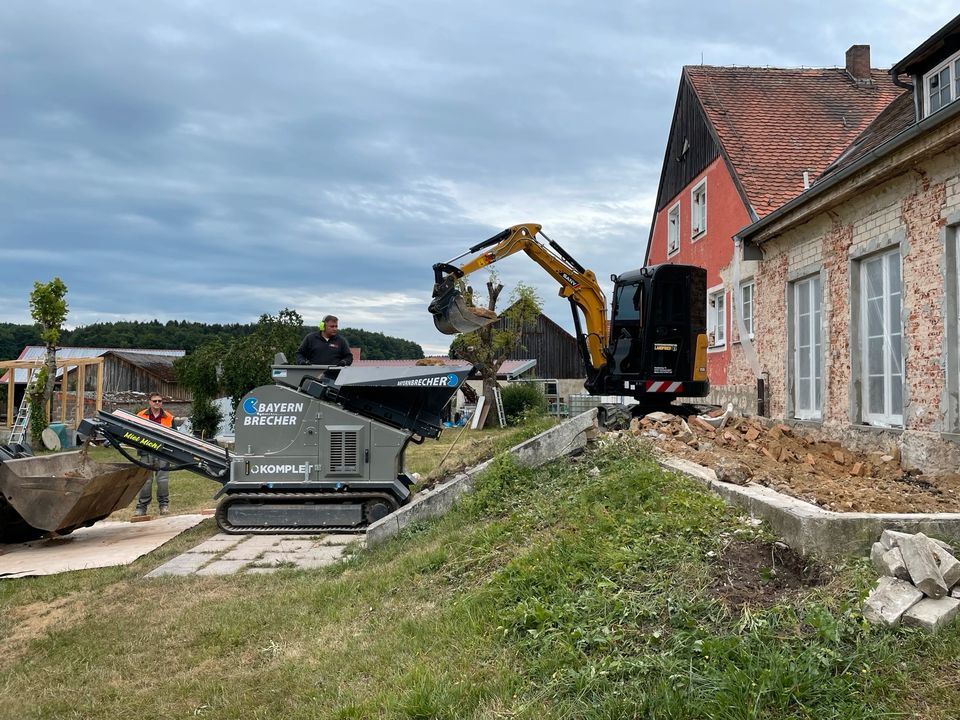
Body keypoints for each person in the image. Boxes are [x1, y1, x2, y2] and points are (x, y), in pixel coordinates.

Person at [133, 392, 175, 517]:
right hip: (146, 452)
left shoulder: (169, 417)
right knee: (146, 480)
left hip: (162, 452)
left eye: (160, 401)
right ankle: (141, 507)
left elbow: (174, 437)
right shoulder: (140, 415)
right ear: (149, 402)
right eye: (155, 401)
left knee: (162, 480)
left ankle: (163, 506)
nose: (157, 403)